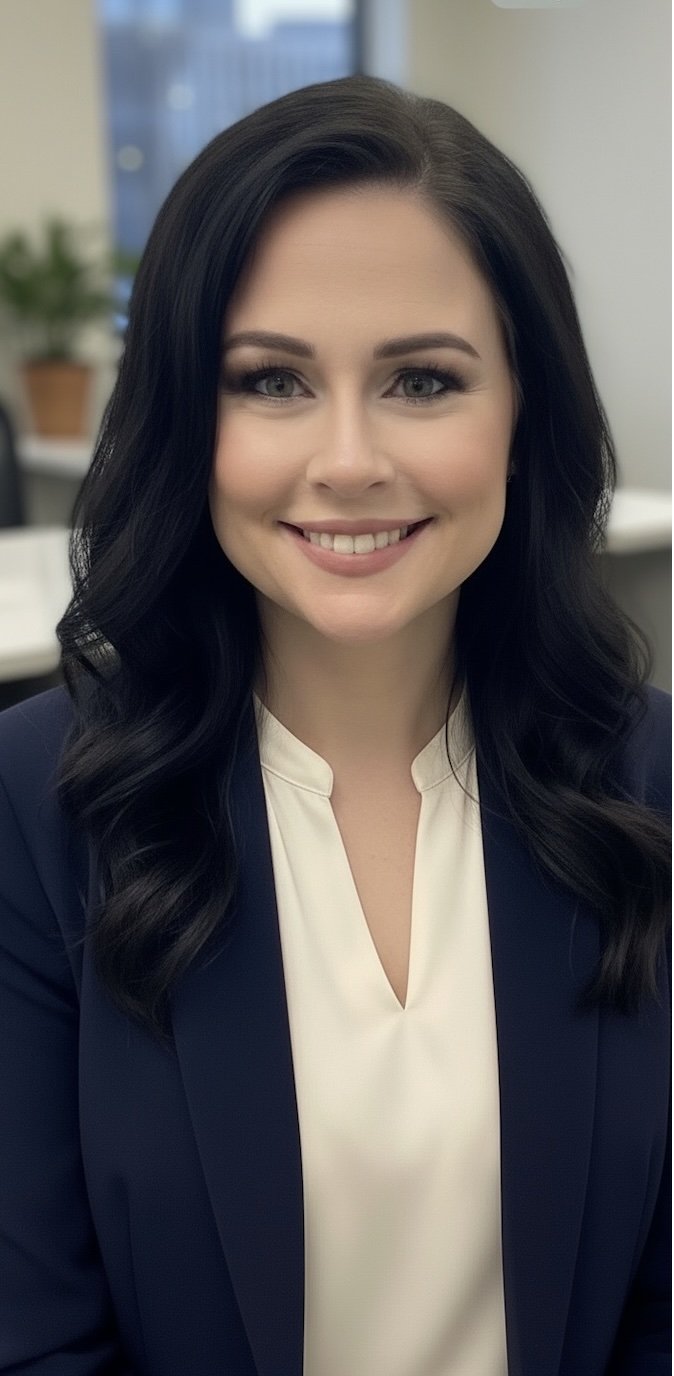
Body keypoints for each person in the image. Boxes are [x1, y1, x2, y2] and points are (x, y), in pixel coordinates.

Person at [0, 74, 669, 1376]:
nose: (350, 457)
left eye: (422, 379)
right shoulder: (35, 810)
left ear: (522, 418)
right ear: (189, 418)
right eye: (270, 382)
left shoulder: (654, 781)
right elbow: (33, 1341)